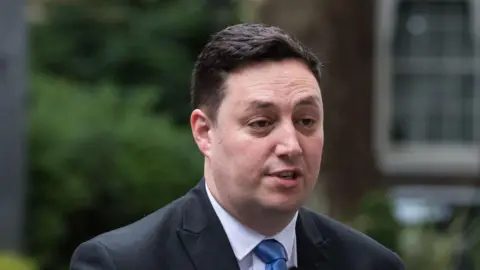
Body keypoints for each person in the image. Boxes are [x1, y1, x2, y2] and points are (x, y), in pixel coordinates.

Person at [69, 23, 405, 270]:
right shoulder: (120, 263)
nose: (291, 145)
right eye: (261, 123)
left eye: (306, 122)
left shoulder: (371, 264)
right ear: (204, 133)